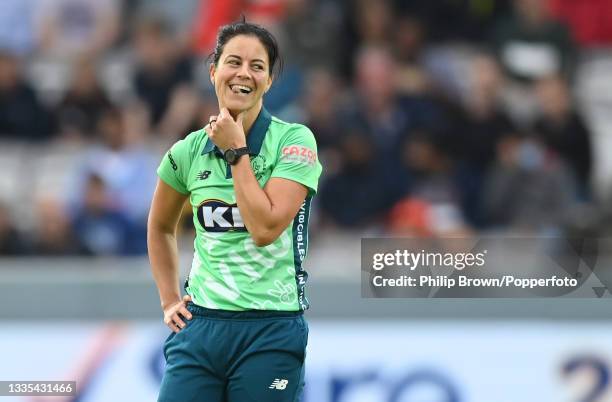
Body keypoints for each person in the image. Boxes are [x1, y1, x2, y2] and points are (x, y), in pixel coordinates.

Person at [148, 20, 322, 402]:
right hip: (201, 326)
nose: (244, 73)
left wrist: (236, 151)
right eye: (234, 62)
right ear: (213, 71)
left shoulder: (294, 141)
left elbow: (264, 228)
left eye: (257, 66)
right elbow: (160, 226)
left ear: (269, 81)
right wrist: (168, 299)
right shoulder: (187, 152)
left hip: (271, 326)